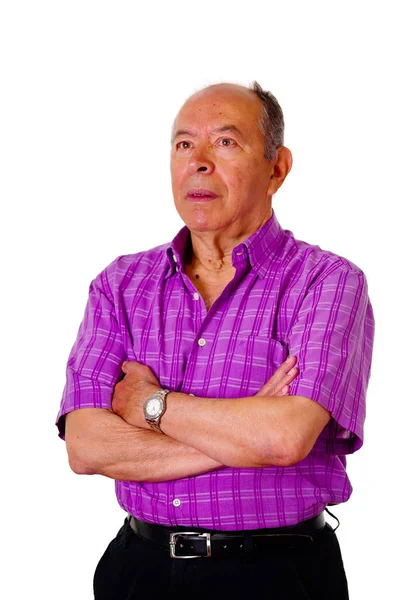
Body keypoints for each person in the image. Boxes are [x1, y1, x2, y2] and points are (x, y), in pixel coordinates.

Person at [56, 81, 374, 599]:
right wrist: (242, 432)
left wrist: (149, 404)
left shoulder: (328, 282)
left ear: (277, 168)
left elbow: (285, 439)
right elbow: (87, 447)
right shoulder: (119, 284)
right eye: (184, 145)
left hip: (276, 576)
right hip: (138, 570)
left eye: (225, 143)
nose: (198, 162)